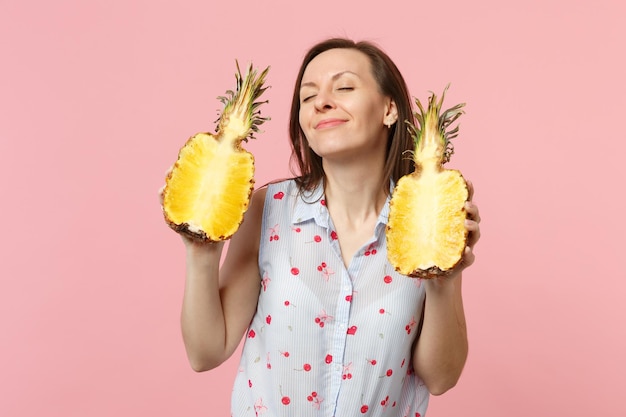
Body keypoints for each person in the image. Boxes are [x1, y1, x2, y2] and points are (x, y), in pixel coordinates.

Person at [162, 37, 481, 417]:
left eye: (344, 87)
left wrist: (444, 279)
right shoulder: (268, 209)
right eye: (307, 96)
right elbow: (206, 352)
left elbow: (441, 378)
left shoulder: (426, 223)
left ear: (389, 109)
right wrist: (201, 251)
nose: (321, 102)